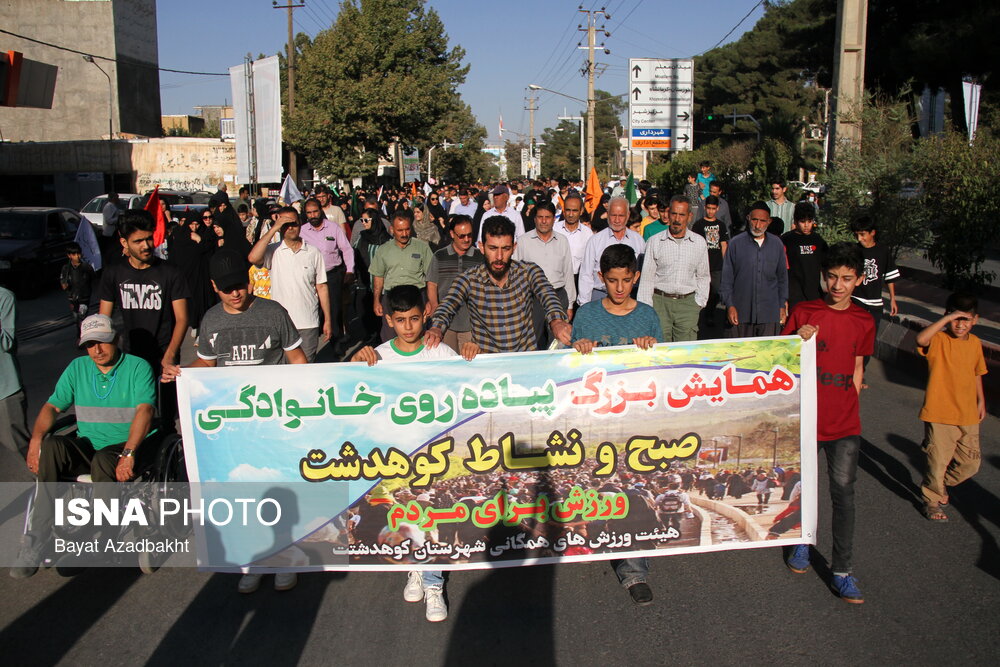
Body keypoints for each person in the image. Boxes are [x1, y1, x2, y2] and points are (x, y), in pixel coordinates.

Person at [162, 250, 306, 592]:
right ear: (214, 287)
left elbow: (297, 358)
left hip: (273, 419)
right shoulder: (211, 320)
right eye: (228, 289)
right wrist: (181, 374)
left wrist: (306, 401)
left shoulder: (274, 313)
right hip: (233, 424)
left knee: (278, 488)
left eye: (240, 285)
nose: (236, 293)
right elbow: (206, 366)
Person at [351, 285, 475, 621]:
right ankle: (416, 567)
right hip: (396, 457)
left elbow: (473, 386)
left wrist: (470, 355)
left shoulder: (440, 353)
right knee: (407, 515)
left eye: (415, 319)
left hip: (436, 455)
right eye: (401, 320)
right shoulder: (378, 357)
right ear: (389, 319)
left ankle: (432, 582)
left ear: (426, 316)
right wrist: (354, 361)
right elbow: (347, 392)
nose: (409, 326)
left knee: (430, 515)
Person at [10, 314, 156, 579]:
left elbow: (145, 410)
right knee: (53, 446)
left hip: (126, 445)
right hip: (90, 445)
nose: (97, 350)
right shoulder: (77, 368)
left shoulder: (137, 367)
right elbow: (53, 406)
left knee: (103, 459)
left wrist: (130, 452)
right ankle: (37, 539)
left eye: (102, 342)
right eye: (90, 345)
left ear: (116, 338)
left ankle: (101, 540)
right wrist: (36, 441)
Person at [781, 242, 875, 604]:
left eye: (847, 279)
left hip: (845, 425)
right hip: (806, 419)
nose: (838, 285)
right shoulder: (805, 312)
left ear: (859, 280)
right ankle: (802, 542)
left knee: (844, 495)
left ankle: (842, 570)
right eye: (832, 277)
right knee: (804, 489)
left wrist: (850, 408)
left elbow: (857, 367)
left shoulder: (864, 320)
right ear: (823, 277)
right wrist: (795, 339)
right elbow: (781, 360)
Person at [570, 244, 661, 605]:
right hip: (595, 420)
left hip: (634, 421)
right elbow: (570, 371)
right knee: (598, 487)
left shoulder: (649, 317)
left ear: (636, 277)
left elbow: (663, 369)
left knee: (633, 491)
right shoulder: (587, 315)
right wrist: (579, 350)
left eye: (626, 280)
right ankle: (592, 539)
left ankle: (634, 569)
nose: (620, 288)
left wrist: (650, 347)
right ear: (600, 279)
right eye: (612, 281)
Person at [425, 217, 572, 354]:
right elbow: (448, 305)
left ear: (514, 247)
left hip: (524, 361)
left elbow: (548, 295)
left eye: (506, 249)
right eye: (493, 248)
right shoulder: (468, 279)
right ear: (481, 247)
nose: (499, 257)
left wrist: (557, 321)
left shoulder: (529, 272)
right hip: (488, 364)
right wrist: (436, 328)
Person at [99, 211, 189, 431]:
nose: (146, 245)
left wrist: (170, 355)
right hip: (129, 359)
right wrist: (104, 355)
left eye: (149, 238)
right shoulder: (114, 273)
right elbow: (104, 321)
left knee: (167, 419)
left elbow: (182, 318)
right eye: (138, 241)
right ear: (124, 242)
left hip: (163, 357)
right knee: (136, 419)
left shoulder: (170, 272)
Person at [914, 292, 987, 522]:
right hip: (939, 411)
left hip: (967, 412)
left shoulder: (975, 343)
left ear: (975, 320)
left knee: (970, 463)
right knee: (938, 460)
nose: (960, 324)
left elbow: (977, 372)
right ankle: (932, 501)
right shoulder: (938, 340)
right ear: (947, 317)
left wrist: (981, 400)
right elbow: (921, 340)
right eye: (956, 319)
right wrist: (946, 319)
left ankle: (938, 484)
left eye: (966, 319)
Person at [248, 206, 331, 362]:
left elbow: (322, 287)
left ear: (300, 223)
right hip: (279, 323)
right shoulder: (272, 251)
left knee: (304, 371)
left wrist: (327, 319)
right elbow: (253, 258)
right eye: (285, 225)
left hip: (307, 322)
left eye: (293, 223)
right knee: (281, 372)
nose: (290, 228)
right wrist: (274, 228)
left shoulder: (313, 252)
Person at [637, 196, 710, 342]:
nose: (677, 219)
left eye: (682, 215)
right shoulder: (655, 241)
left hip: (688, 305)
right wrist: (646, 309)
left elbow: (703, 276)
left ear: (689, 216)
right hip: (660, 304)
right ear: (669, 214)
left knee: (685, 353)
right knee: (659, 350)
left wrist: (699, 303)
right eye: (674, 214)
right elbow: (647, 278)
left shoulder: (699, 242)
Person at [719, 202, 789, 338]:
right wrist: (730, 305)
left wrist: (782, 305)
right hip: (740, 312)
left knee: (767, 356)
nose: (758, 225)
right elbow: (727, 278)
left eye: (762, 221)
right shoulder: (735, 243)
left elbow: (782, 279)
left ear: (769, 221)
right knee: (741, 356)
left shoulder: (777, 245)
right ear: (748, 218)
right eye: (754, 220)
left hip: (769, 313)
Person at [513, 202, 577, 348]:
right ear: (535, 219)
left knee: (558, 342)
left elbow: (568, 272)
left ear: (554, 219)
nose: (543, 221)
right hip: (532, 299)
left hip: (558, 295)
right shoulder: (523, 241)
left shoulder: (562, 241)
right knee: (531, 340)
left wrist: (570, 304)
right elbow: (515, 273)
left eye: (547, 217)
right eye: (540, 217)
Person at [369, 210, 434, 340]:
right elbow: (378, 278)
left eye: (407, 229)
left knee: (418, 335)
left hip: (417, 297)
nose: (404, 234)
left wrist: (430, 301)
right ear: (392, 229)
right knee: (390, 335)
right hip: (391, 298)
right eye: (400, 230)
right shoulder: (383, 250)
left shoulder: (422, 247)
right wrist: (376, 300)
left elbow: (431, 277)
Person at [300, 197, 355, 350]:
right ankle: (312, 342)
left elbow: (347, 249)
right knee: (312, 309)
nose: (312, 215)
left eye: (315, 211)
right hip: (310, 277)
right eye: (309, 213)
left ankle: (336, 343)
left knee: (334, 309)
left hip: (332, 275)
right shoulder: (302, 231)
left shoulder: (333, 228)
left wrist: (350, 270)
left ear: (321, 211)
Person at [426, 216, 483, 353]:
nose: (466, 239)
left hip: (471, 324)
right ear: (452, 234)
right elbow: (432, 283)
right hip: (446, 323)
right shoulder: (440, 256)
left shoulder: (480, 257)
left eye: (469, 235)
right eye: (462, 236)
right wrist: (434, 305)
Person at [578, 198, 645, 304]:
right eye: (613, 215)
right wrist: (584, 304)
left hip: (629, 297)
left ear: (627, 215)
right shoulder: (595, 240)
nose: (617, 220)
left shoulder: (638, 240)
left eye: (621, 216)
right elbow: (586, 274)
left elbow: (642, 273)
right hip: (600, 295)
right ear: (607, 214)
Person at [850, 216, 899, 361]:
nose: (860, 239)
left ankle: (861, 371)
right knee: (853, 338)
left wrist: (893, 299)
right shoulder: (854, 251)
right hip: (855, 299)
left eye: (863, 234)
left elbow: (889, 277)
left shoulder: (883, 252)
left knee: (868, 340)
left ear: (872, 233)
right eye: (857, 235)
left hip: (875, 303)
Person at [690, 196, 730, 328]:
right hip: (702, 265)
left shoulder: (721, 225)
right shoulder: (698, 225)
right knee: (701, 291)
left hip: (717, 265)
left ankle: (710, 313)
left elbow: (724, 244)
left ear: (717, 209)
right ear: (705, 208)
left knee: (716, 292)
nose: (711, 211)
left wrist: (726, 264)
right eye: (709, 208)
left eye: (713, 209)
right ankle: (700, 316)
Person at [0, 286, 28, 467]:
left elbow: (7, 342)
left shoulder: (4, 297)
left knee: (19, 446)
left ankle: (48, 484)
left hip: (5, 388)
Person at [782, 202, 828, 310]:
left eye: (809, 221)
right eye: (802, 222)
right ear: (796, 221)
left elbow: (826, 266)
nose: (806, 225)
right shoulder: (787, 240)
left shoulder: (818, 241)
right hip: (793, 294)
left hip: (814, 293)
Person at [553, 192, 593, 290]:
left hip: (578, 280)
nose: (571, 214)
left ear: (581, 211)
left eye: (575, 211)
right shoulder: (554, 229)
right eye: (568, 210)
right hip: (556, 280)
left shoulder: (587, 233)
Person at [60, 243, 96, 332]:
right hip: (73, 298)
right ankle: (79, 335)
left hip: (84, 298)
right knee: (76, 319)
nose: (77, 256)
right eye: (74, 254)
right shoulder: (66, 269)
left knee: (82, 317)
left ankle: (82, 337)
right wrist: (65, 285)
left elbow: (93, 279)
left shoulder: (86, 267)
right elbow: (63, 282)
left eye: (78, 253)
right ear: (69, 256)